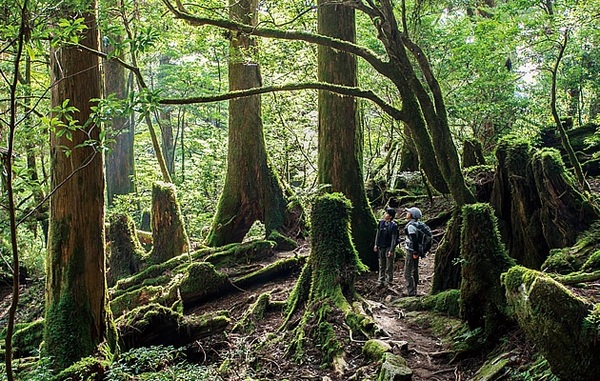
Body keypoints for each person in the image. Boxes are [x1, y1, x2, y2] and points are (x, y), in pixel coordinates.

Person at [373, 207, 398, 288]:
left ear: (390, 216)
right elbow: (378, 234)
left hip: (388, 247)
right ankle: (380, 280)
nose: (385, 215)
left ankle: (388, 280)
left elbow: (394, 239)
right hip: (381, 246)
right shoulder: (381, 223)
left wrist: (391, 250)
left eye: (386, 213)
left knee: (389, 265)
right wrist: (376, 244)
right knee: (381, 265)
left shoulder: (393, 226)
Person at [403, 207, 422, 296]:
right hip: (416, 250)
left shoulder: (411, 226)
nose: (407, 213)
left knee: (407, 272)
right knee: (415, 270)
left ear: (412, 215)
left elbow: (414, 240)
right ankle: (415, 290)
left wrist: (414, 252)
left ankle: (411, 292)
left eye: (408, 212)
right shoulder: (418, 224)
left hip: (411, 251)